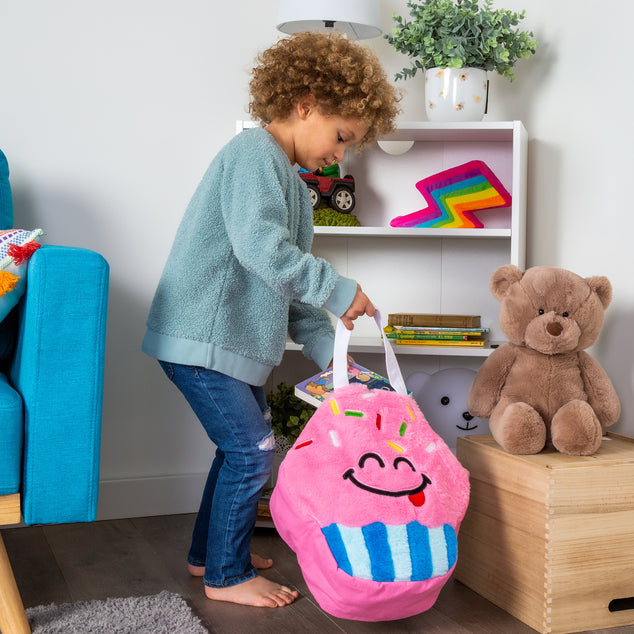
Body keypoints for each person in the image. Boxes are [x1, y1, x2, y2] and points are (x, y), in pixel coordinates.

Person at [142, 30, 400, 608]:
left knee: (239, 449)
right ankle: (226, 575)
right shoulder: (253, 154)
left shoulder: (294, 187)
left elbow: (287, 286)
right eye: (341, 136)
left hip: (228, 348)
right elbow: (262, 249)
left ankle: (209, 553)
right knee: (253, 449)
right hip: (203, 339)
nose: (340, 155)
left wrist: (334, 356)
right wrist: (337, 288)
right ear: (305, 104)